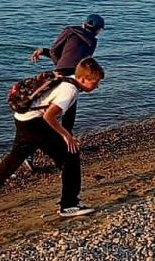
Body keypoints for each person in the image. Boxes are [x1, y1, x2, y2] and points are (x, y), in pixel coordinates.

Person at [0, 56, 104, 218]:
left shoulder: (68, 78)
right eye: (95, 82)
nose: (97, 86)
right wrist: (66, 135)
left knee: (15, 158)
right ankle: (69, 205)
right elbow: (49, 116)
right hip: (35, 123)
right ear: (82, 78)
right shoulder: (70, 90)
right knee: (70, 156)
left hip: (22, 118)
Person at [26, 13, 104, 169]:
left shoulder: (69, 31)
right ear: (97, 30)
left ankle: (32, 152)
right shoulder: (92, 42)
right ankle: (66, 147)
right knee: (67, 115)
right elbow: (82, 62)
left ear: (84, 24)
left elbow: (56, 51)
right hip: (76, 78)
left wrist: (58, 65)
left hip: (61, 76)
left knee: (45, 112)